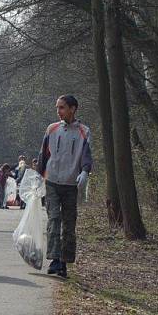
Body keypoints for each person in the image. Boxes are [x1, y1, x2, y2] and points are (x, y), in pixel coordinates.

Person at [37, 95, 92, 278]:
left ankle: (64, 262)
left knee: (69, 224)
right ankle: (54, 259)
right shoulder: (51, 129)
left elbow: (86, 154)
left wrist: (85, 171)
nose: (58, 111)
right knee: (54, 220)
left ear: (73, 108)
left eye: (62, 107)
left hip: (70, 184)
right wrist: (39, 177)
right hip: (52, 181)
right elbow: (44, 154)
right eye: (57, 107)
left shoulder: (84, 131)